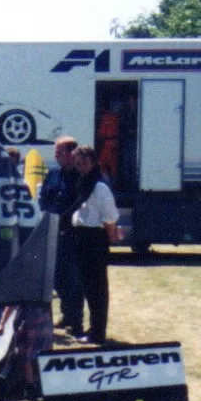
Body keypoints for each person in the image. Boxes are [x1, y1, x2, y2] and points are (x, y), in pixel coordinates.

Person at [69, 144, 120, 345]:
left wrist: (106, 238)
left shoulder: (99, 186)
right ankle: (93, 329)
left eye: (83, 163)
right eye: (77, 164)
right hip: (82, 237)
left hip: (94, 239)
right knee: (88, 288)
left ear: (93, 162)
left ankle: (97, 332)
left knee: (97, 289)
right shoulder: (83, 182)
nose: (80, 167)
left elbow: (110, 217)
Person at [37, 136, 84, 334]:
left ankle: (76, 321)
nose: (56, 156)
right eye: (56, 152)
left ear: (72, 153)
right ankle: (65, 315)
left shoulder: (80, 177)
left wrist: (63, 220)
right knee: (56, 276)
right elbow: (44, 198)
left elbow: (78, 204)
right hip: (52, 230)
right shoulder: (53, 174)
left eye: (60, 152)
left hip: (71, 233)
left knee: (72, 278)